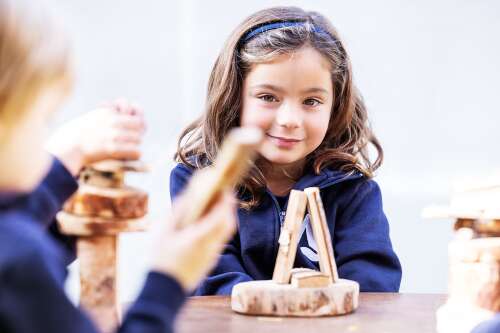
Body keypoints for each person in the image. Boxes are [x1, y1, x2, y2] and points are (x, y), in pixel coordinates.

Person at [0, 0, 236, 332]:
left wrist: (74, 151)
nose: (48, 134)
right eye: (44, 118)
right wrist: (169, 277)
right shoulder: (20, 263)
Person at [171, 6, 402, 296]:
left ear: (336, 105)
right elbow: (210, 276)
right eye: (268, 97)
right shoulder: (200, 180)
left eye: (312, 101)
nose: (290, 120)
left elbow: (373, 287)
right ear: (235, 98)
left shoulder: (353, 190)